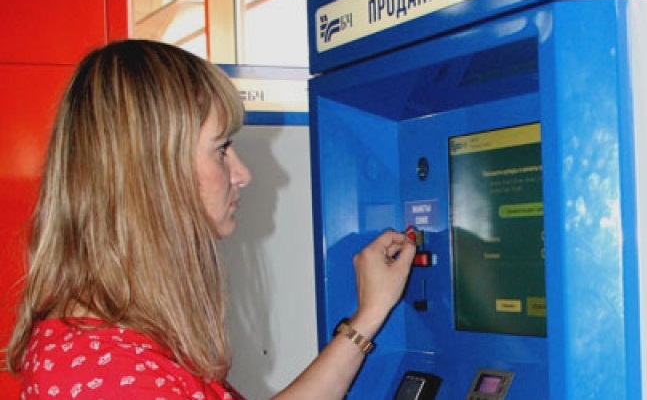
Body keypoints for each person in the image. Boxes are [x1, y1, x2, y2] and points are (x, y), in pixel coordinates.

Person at [4, 39, 416, 399]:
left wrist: (369, 314)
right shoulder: (110, 373)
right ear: (153, 173)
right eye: (221, 149)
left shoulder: (108, 337)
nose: (242, 173)